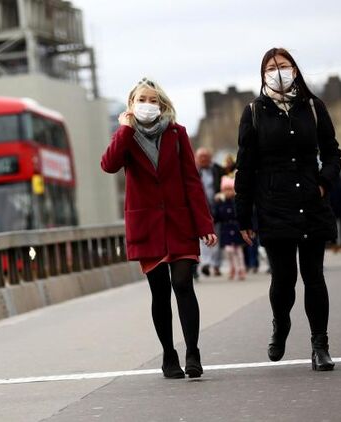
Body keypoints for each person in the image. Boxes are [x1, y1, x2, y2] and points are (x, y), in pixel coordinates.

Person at [101, 78, 217, 379]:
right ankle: (169, 354)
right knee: (160, 292)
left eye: (154, 100)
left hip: (179, 222)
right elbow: (109, 165)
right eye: (142, 99)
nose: (148, 105)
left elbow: (191, 180)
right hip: (147, 225)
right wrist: (124, 129)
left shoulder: (177, 133)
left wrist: (204, 223)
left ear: (162, 105)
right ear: (131, 104)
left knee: (183, 283)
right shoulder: (125, 136)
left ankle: (193, 352)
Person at [235, 48, 341, 371]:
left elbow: (333, 152)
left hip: (310, 201)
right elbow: (245, 167)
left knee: (314, 276)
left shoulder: (313, 107)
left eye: (283, 65)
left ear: (294, 70)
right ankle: (281, 323)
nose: (278, 71)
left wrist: (323, 182)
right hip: (274, 204)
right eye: (271, 67)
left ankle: (320, 345)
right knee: (284, 279)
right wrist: (244, 215)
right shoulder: (254, 112)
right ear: (263, 74)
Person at [195, 147, 223, 277]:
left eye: (206, 156)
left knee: (217, 237)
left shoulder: (217, 170)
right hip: (202, 209)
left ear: (210, 158)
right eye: (201, 157)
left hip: (217, 209)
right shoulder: (194, 171)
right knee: (203, 238)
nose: (203, 159)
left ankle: (216, 265)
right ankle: (206, 263)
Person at [214, 176, 245, 281]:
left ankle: (241, 269)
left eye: (230, 189)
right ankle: (232, 268)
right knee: (229, 250)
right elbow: (217, 216)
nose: (228, 192)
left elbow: (240, 214)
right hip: (226, 229)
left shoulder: (236, 202)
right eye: (225, 190)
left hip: (236, 228)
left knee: (238, 251)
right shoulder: (220, 203)